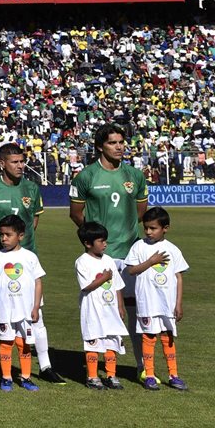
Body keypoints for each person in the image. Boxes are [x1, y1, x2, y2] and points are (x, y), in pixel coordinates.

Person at [0, 143, 64, 384]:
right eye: (15, 162)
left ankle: (45, 365)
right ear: (2, 163)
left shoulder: (32, 188)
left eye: (22, 161)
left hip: (27, 262)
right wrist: (3, 247)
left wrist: (19, 249)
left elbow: (32, 222)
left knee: (36, 314)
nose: (20, 165)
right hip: (0, 263)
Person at [69, 124, 149, 374]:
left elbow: (141, 211)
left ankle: (142, 365)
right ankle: (101, 367)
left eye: (121, 142)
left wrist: (126, 232)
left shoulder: (135, 175)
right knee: (103, 309)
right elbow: (76, 213)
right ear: (99, 147)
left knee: (135, 310)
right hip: (102, 257)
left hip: (131, 252)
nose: (119, 147)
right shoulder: (86, 176)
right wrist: (95, 238)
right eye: (112, 143)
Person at [123, 207, 188, 390]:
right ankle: (149, 375)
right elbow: (131, 270)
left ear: (165, 228)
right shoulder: (139, 246)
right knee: (149, 336)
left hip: (167, 303)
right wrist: (151, 262)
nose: (148, 232)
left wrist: (178, 303)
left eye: (153, 228)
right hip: (148, 302)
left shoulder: (172, 249)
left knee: (168, 337)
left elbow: (178, 277)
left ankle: (173, 375)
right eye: (146, 228)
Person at [0, 215, 44, 393]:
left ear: (21, 236)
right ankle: (6, 377)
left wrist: (36, 306)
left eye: (8, 235)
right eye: (1, 234)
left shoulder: (30, 257)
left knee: (24, 343)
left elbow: (38, 282)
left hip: (25, 309)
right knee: (6, 342)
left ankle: (26, 377)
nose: (3, 238)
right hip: (4, 309)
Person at [75, 221, 129, 390]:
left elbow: (117, 285)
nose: (105, 244)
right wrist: (104, 278)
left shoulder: (109, 260)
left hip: (110, 310)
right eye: (101, 241)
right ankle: (92, 376)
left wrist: (120, 306)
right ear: (88, 243)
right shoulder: (82, 262)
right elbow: (86, 286)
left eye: (105, 240)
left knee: (112, 342)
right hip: (92, 310)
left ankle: (111, 375)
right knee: (93, 341)